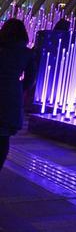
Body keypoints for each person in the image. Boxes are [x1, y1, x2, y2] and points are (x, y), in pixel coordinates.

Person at [0, 18, 35, 171]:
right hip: (11, 96)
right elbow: (31, 79)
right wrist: (19, 89)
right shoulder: (27, 53)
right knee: (3, 137)